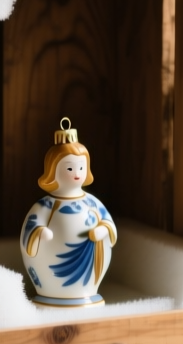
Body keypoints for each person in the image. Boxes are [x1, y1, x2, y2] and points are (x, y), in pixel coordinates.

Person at [21, 118, 118, 306]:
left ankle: (87, 291)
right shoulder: (45, 207)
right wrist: (39, 232)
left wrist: (104, 229)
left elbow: (109, 224)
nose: (77, 173)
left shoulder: (92, 204)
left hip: (90, 261)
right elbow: (31, 225)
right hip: (49, 281)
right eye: (69, 168)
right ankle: (47, 291)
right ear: (53, 170)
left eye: (81, 167)